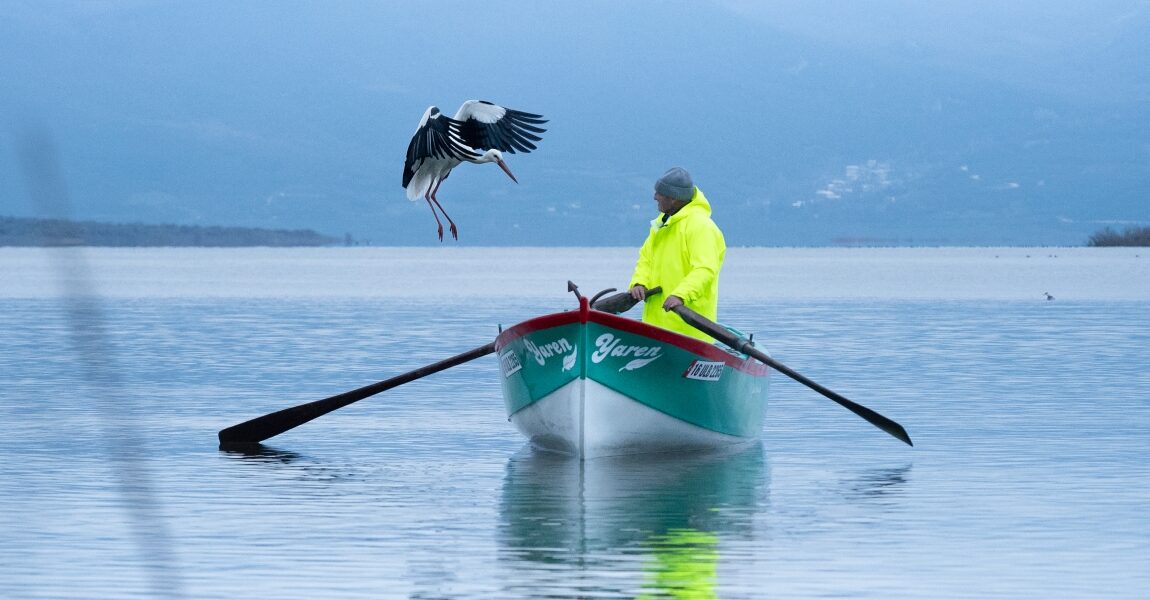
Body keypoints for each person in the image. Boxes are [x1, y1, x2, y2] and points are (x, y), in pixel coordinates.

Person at [628, 167, 726, 342]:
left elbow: (705, 269)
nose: (655, 197)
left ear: (673, 198)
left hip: (691, 334)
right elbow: (646, 260)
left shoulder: (701, 227)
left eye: (659, 193)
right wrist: (639, 282)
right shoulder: (660, 225)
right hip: (655, 328)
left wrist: (680, 295)